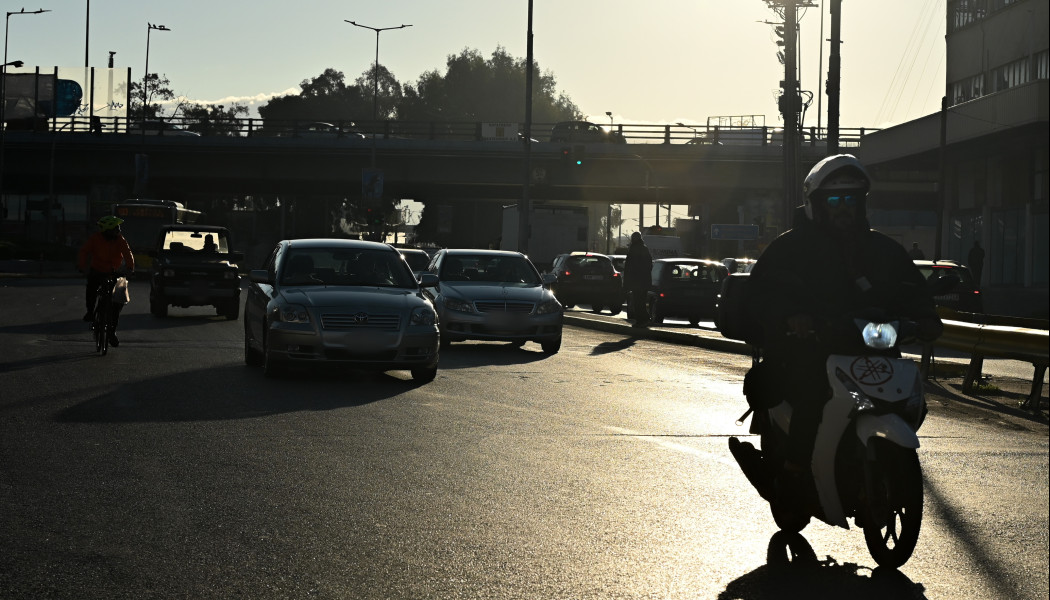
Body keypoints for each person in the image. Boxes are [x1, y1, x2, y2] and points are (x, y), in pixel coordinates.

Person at [746, 154, 942, 502]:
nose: (843, 208)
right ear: (815, 204)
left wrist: (926, 316)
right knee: (811, 398)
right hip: (810, 349)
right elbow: (764, 293)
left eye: (851, 200)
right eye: (834, 200)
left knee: (909, 398)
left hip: (870, 348)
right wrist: (792, 316)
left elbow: (911, 289)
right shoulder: (789, 248)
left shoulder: (884, 250)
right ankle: (792, 474)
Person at [78, 216, 135, 347]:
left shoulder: (120, 240)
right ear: (107, 230)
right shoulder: (95, 239)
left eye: (118, 228)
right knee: (91, 288)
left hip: (114, 272)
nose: (118, 231)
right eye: (115, 228)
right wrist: (82, 266)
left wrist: (130, 268)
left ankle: (112, 332)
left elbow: (128, 253)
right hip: (97, 270)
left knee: (118, 300)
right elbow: (84, 251)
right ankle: (90, 312)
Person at [623, 232, 653, 327]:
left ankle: (641, 320)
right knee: (642, 300)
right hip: (645, 281)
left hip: (636, 281)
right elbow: (650, 265)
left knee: (637, 301)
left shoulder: (633, 249)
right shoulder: (645, 249)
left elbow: (629, 267)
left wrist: (627, 281)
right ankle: (645, 319)